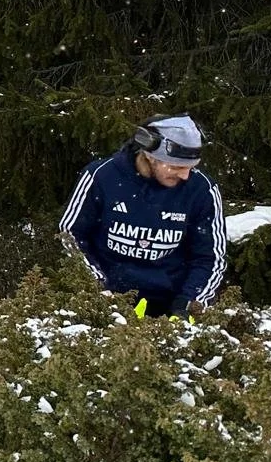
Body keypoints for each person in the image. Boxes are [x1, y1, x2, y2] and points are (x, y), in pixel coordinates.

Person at [59, 115, 227, 316]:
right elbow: (70, 235)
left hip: (170, 304)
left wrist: (190, 303)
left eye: (190, 167)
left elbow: (210, 257)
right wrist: (97, 289)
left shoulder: (201, 189)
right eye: (176, 167)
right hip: (108, 300)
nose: (184, 176)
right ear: (149, 154)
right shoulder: (102, 176)